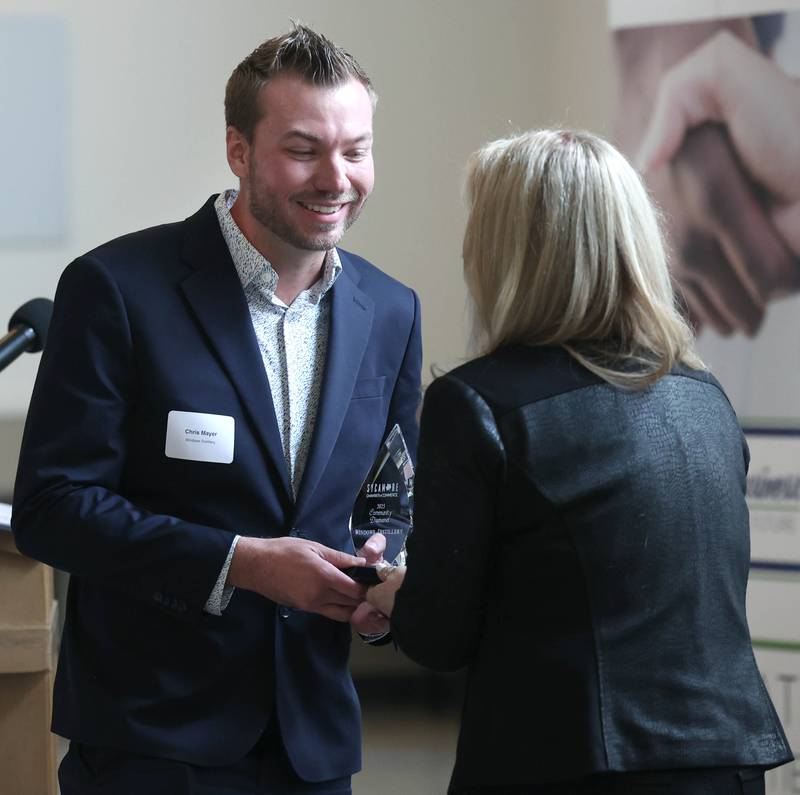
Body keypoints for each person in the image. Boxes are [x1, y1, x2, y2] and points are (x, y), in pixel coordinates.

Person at [12, 24, 421, 795]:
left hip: (315, 742)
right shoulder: (118, 289)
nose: (336, 177)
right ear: (238, 151)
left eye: (356, 150)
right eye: (303, 149)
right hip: (151, 743)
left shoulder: (391, 310)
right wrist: (243, 563)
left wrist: (381, 572)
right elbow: (51, 507)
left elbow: (390, 496)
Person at [368, 129, 792, 794]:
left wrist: (389, 591)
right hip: (725, 766)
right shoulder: (705, 397)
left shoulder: (476, 404)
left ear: (508, 252)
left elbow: (439, 636)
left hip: (568, 763)